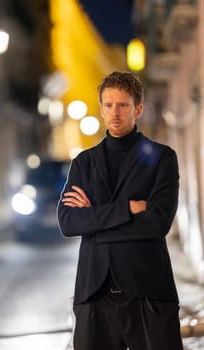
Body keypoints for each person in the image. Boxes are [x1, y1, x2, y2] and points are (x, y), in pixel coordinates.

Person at [57, 71, 183, 350]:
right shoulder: (83, 163)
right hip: (94, 293)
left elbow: (157, 223)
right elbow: (68, 222)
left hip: (148, 291)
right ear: (101, 109)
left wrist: (95, 222)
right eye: (109, 105)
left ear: (138, 109)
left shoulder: (162, 158)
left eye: (123, 105)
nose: (116, 112)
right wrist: (127, 208)